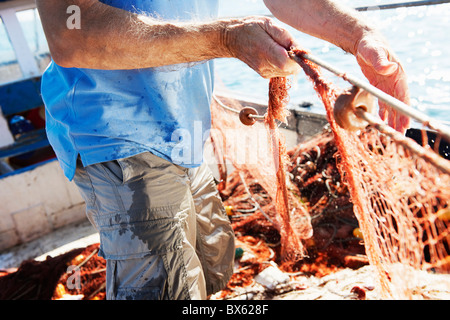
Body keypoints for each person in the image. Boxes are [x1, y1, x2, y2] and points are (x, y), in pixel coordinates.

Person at [36, 0, 410, 300]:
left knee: (213, 264)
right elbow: (70, 30)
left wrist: (361, 35)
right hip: (112, 129)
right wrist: (226, 39)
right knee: (166, 288)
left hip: (183, 128)